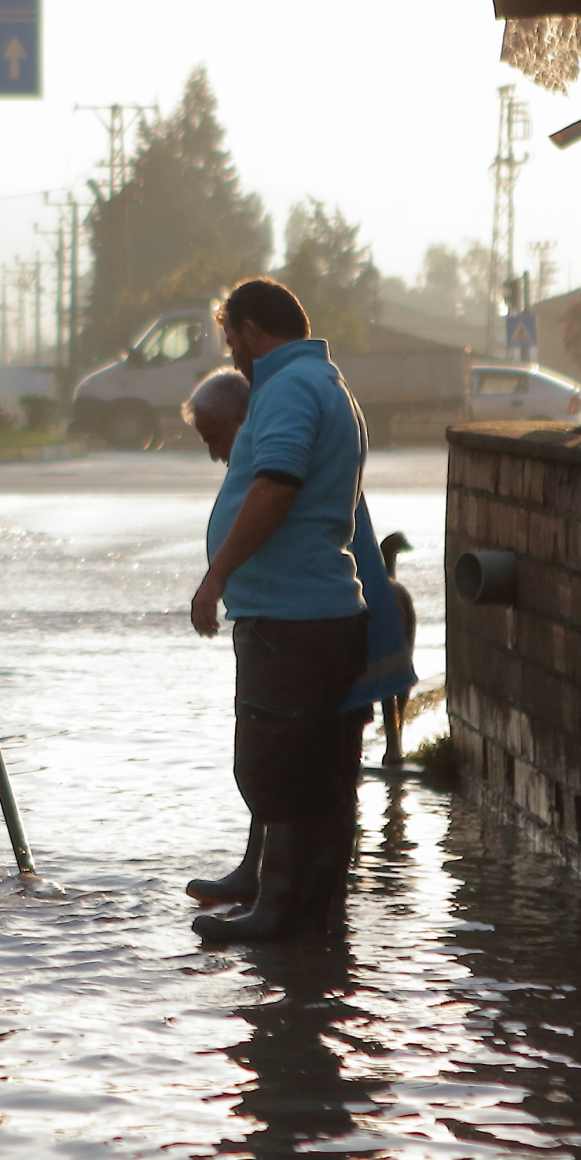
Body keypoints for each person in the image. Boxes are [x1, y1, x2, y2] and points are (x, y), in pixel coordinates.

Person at [178, 366, 416, 918]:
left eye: (217, 437)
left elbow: (285, 511)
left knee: (291, 758)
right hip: (293, 617)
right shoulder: (277, 440)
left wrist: (217, 579)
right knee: (277, 753)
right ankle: (264, 872)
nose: (215, 453)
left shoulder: (282, 450)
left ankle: (294, 899)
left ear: (247, 419)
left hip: (309, 624)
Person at [184, 280, 370, 944]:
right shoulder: (323, 383)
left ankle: (281, 910)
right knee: (317, 767)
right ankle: (306, 905)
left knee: (277, 761)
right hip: (317, 613)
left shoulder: (289, 388)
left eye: (231, 337)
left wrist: (217, 574)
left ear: (253, 330)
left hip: (290, 616)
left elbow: (276, 486)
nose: (232, 351)